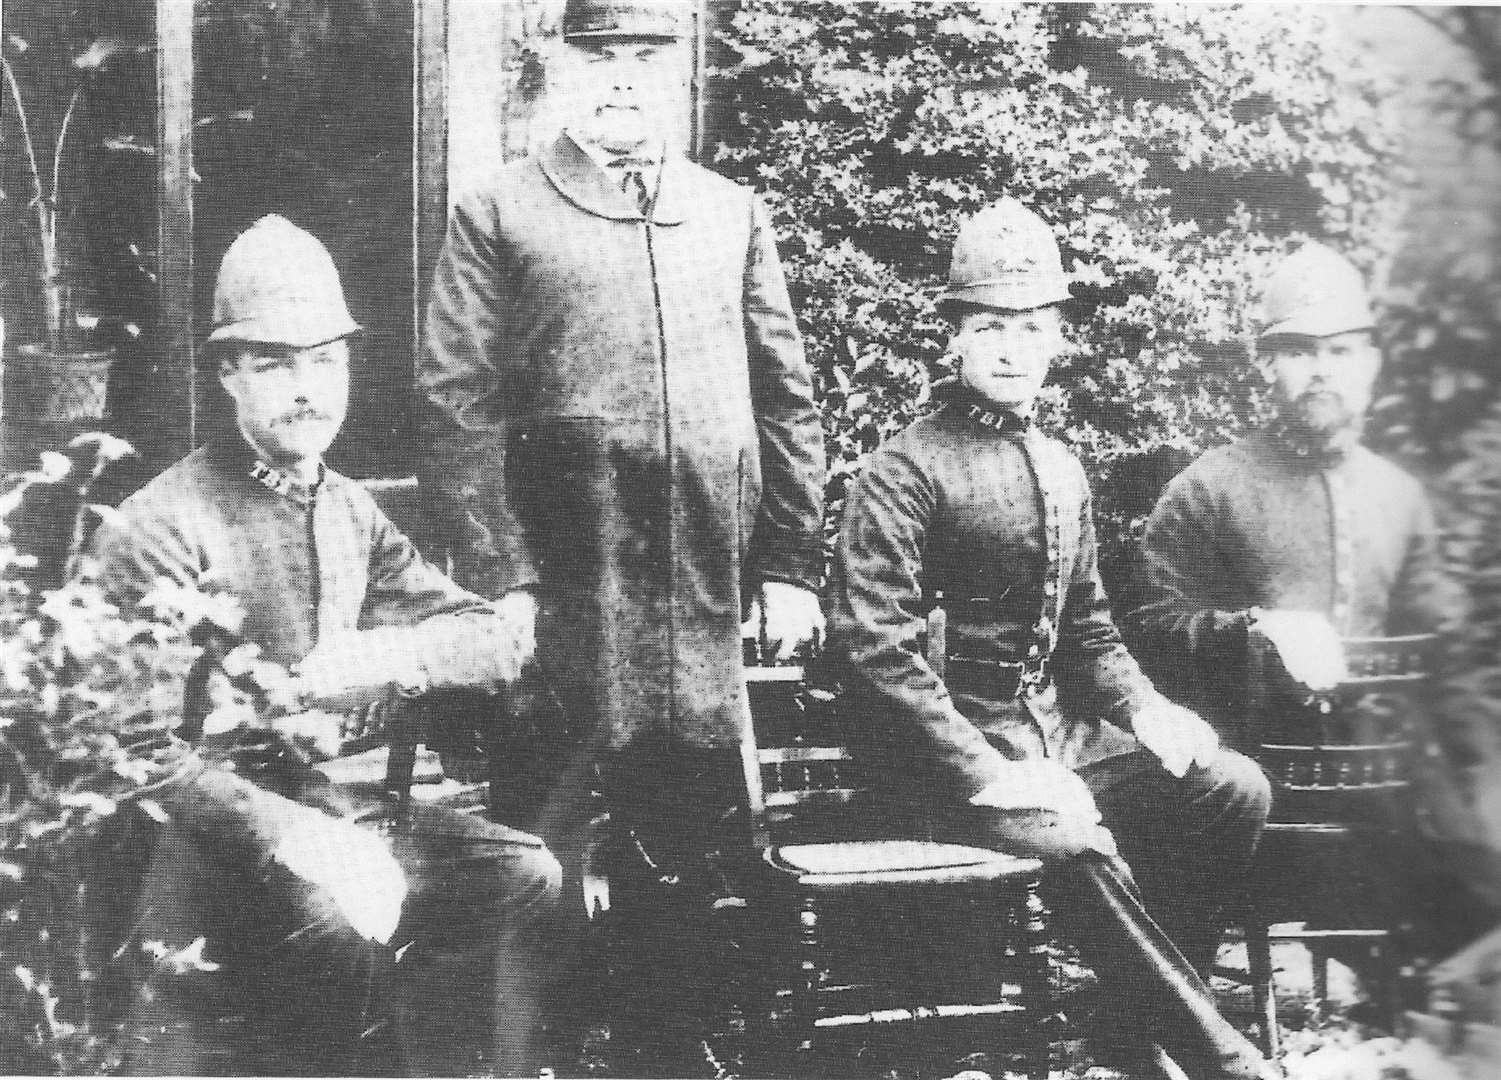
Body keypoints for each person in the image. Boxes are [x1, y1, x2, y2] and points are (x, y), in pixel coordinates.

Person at [418, 0, 825, 1049]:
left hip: (697, 603)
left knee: (685, 859)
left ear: (675, 71)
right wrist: (503, 577)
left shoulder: (729, 213)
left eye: (646, 55)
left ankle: (664, 1056)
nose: (621, 77)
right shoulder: (498, 212)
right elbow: (454, 407)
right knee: (543, 852)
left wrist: (789, 563)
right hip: (566, 602)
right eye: (598, 53)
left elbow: (784, 399)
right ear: (558, 63)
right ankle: (528, 1062)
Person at [86, 215, 562, 1077]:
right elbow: (134, 755)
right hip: (194, 840)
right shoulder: (164, 525)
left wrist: (394, 657)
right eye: (276, 363)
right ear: (228, 373)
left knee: (519, 876)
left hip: (321, 803)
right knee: (337, 920)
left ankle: (422, 1059)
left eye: (327, 360)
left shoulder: (345, 507)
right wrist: (301, 837)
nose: (308, 388)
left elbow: (493, 639)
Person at [827, 198, 1276, 1080]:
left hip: (1056, 740)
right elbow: (873, 645)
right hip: (938, 764)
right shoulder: (901, 470)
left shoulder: (1060, 465)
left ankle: (1125, 1026)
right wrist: (992, 772)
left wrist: (1148, 712)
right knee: (1069, 838)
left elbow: (1089, 632)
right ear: (953, 337)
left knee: (1231, 787)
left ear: (1055, 339)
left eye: (1031, 328)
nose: (1009, 348)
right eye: (989, 326)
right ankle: (1214, 1055)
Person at [1127, 241, 1493, 953]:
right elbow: (1147, 631)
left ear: (1372, 363)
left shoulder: (1397, 494)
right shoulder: (1207, 490)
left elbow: (1446, 646)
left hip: (1394, 811)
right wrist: (1255, 629)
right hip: (1259, 814)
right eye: (1298, 351)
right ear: (1265, 365)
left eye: (1342, 350)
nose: (1322, 369)